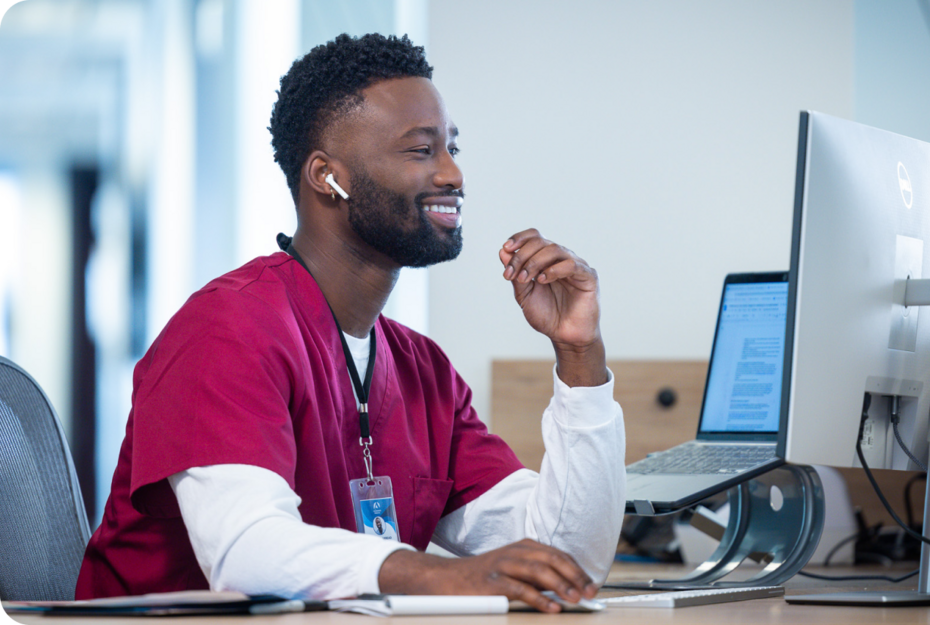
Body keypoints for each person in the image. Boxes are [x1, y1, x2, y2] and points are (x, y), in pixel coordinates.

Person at [75, 33, 625, 613]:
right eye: (421, 151)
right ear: (325, 176)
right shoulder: (225, 330)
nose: (452, 175)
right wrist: (442, 575)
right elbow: (246, 549)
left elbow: (565, 561)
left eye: (452, 149)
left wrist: (580, 356)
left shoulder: (423, 371)